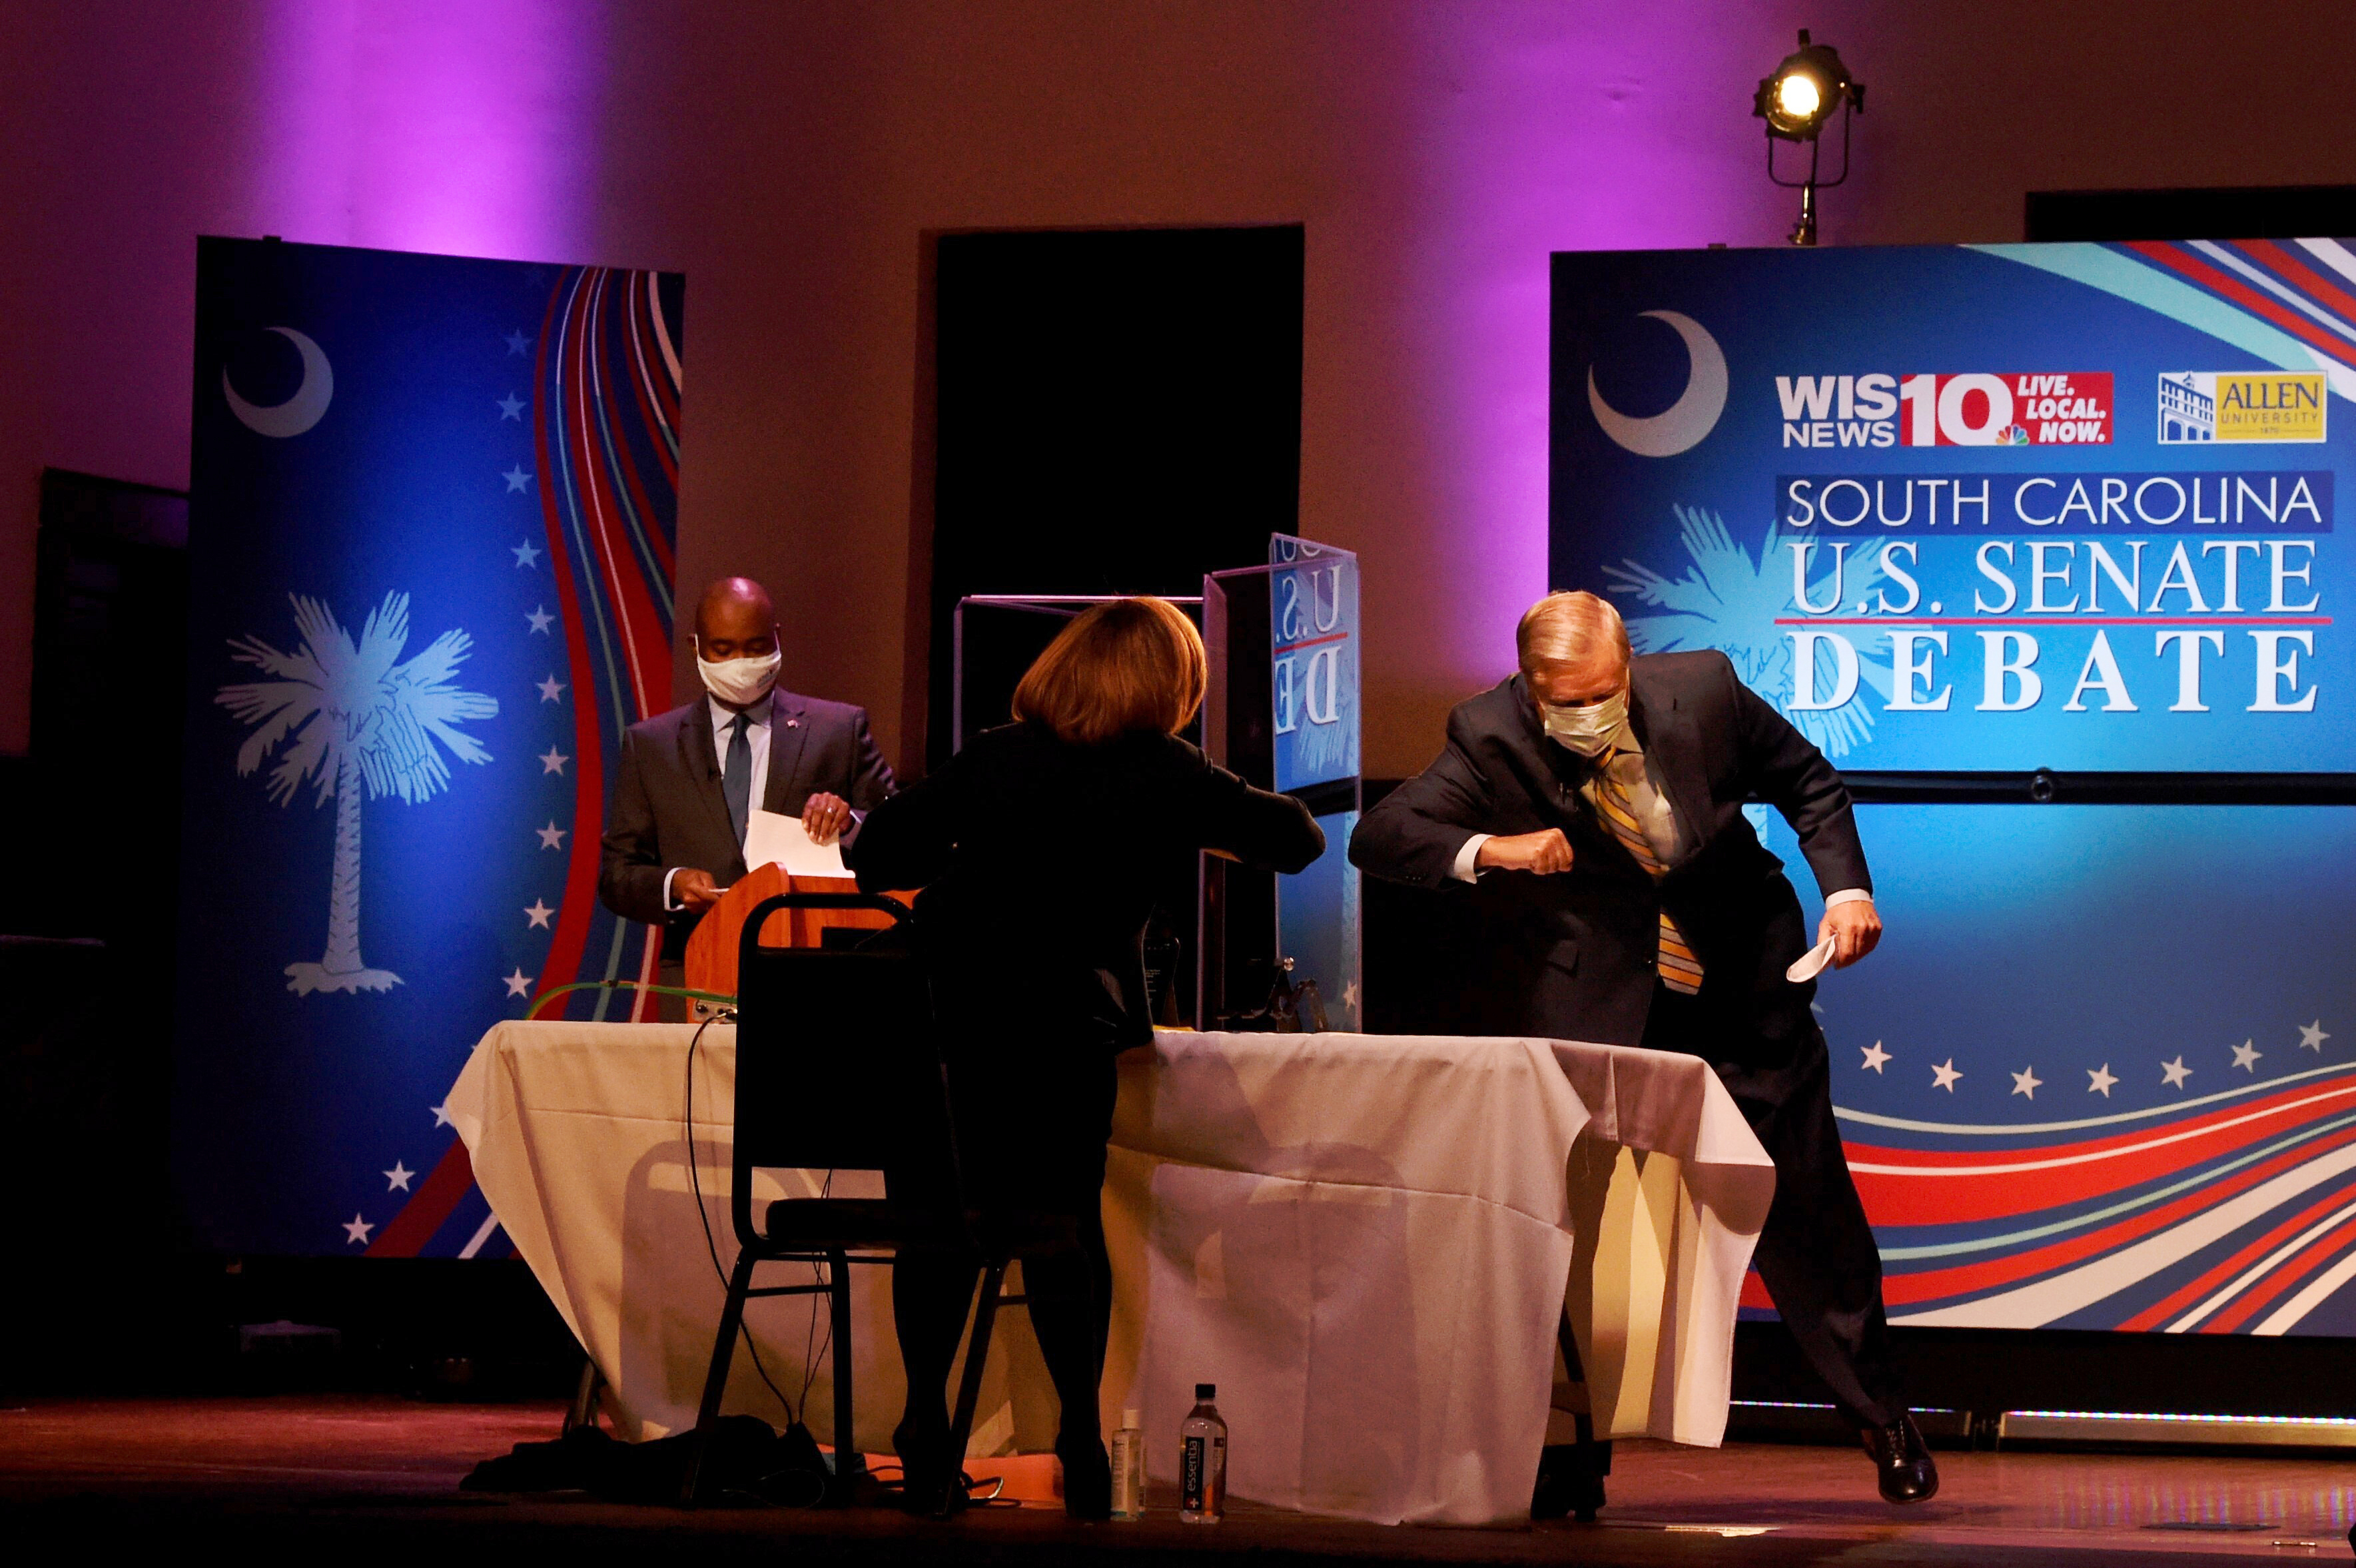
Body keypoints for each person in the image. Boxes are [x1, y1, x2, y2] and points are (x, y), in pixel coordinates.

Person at [1349, 590, 1937, 1509]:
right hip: (1603, 1009)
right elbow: (1380, 835)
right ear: (1529, 685)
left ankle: (1882, 1415)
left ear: (1627, 670)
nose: (1586, 714)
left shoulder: (1703, 689)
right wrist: (1494, 849)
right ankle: (1569, 1452)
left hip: (1743, 987)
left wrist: (1847, 892)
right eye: (1564, 700)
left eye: (1601, 695)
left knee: (1808, 1213)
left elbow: (1810, 784)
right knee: (1581, 1236)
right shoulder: (1488, 732)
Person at [849, 596, 1324, 1517]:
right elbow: (1300, 840)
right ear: (1171, 686)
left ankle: (925, 1422)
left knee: (937, 1222)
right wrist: (1198, 818)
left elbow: (877, 857)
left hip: (941, 1022)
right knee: (1063, 1227)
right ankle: (1079, 1434)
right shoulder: (1168, 771)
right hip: (1060, 1033)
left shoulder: (996, 755)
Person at [597, 576, 897, 1000]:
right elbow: (617, 875)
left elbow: (903, 838)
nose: (741, 663)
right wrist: (675, 884)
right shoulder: (651, 746)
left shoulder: (838, 730)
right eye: (723, 650)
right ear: (696, 647)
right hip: (695, 965)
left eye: (756, 648)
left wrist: (849, 822)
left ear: (777, 639)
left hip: (814, 967)